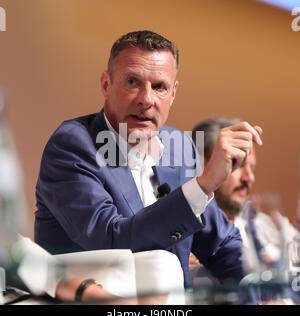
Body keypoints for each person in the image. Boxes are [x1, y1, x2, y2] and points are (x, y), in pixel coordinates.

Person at [34, 30, 263, 292]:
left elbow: (222, 244)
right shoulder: (72, 145)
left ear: (173, 93)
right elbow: (112, 241)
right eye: (132, 82)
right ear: (106, 84)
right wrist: (203, 185)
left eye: (159, 87)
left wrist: (265, 293)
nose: (146, 99)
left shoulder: (179, 147)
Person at [191, 117, 299, 270]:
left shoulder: (266, 224)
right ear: (202, 166)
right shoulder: (183, 236)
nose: (249, 178)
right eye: (238, 165)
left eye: (252, 168)